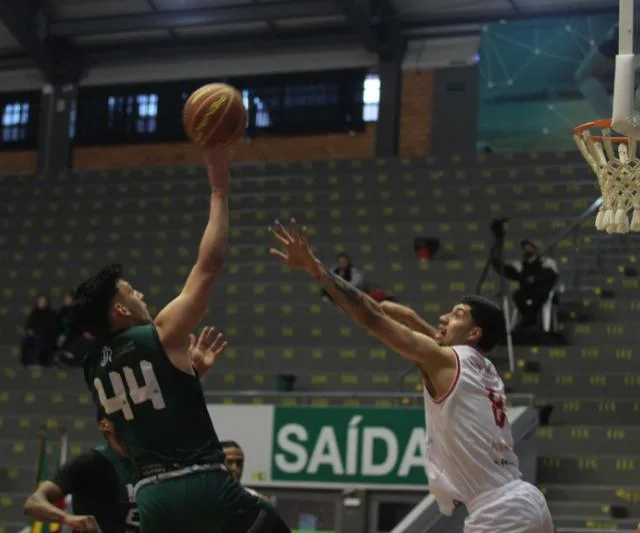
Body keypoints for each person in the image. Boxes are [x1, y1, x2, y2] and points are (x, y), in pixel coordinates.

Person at [268, 219, 553, 533]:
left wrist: (317, 270)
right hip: (526, 499)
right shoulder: (483, 368)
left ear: (474, 333)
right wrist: (411, 316)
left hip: (499, 511)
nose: (444, 317)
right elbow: (438, 343)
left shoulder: (448, 360)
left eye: (456, 314)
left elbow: (373, 318)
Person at [74, 145, 290, 533]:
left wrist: (188, 380)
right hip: (202, 482)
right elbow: (207, 267)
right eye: (130, 292)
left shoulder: (92, 367)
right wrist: (219, 192)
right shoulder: (161, 333)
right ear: (120, 310)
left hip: (153, 501)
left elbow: (125, 437)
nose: (138, 294)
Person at [24, 327, 228, 533]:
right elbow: (34, 503)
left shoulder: (155, 455)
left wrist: (190, 376)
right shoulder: (91, 464)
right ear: (104, 424)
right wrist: (67, 518)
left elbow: (171, 412)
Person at [492, 239, 559, 329]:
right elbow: (508, 271)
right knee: (517, 296)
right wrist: (495, 262)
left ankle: (527, 321)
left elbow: (552, 276)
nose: (527, 249)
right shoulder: (521, 265)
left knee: (540, 294)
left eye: (529, 246)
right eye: (525, 247)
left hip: (541, 290)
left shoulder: (546, 262)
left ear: (535, 249)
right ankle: (530, 320)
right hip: (527, 291)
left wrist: (535, 279)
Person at [21, 294, 59, 366]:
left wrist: (34, 331)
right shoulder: (34, 313)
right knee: (25, 339)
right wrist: (28, 330)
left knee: (40, 339)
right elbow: (28, 325)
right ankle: (26, 361)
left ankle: (37, 359)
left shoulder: (52, 314)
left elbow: (50, 328)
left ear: (47, 302)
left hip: (47, 336)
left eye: (43, 301)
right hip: (34, 335)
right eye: (39, 301)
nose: (41, 303)